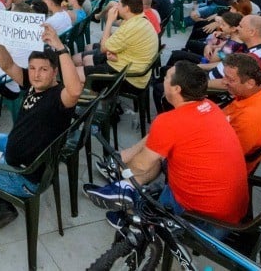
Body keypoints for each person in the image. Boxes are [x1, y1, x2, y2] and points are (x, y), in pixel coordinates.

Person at [83, 61, 249, 237]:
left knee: (146, 165)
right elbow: (158, 140)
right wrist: (128, 154)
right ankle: (123, 189)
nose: (163, 79)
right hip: (231, 211)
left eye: (167, 77)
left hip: (203, 219)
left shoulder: (169, 122)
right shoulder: (210, 107)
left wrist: (121, 165)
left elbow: (141, 165)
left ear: (176, 89)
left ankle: (134, 216)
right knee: (159, 155)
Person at [0, 25, 81, 231]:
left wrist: (59, 46)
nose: (36, 75)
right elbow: (7, 65)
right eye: (32, 68)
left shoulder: (59, 98)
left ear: (55, 72)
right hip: (22, 154)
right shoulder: (33, 84)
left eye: (43, 69)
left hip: (24, 175)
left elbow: (75, 89)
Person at [220, 53, 261, 173]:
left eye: (230, 79)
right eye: (225, 76)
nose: (224, 82)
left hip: (229, 167)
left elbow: (227, 157)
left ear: (250, 83)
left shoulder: (250, 119)